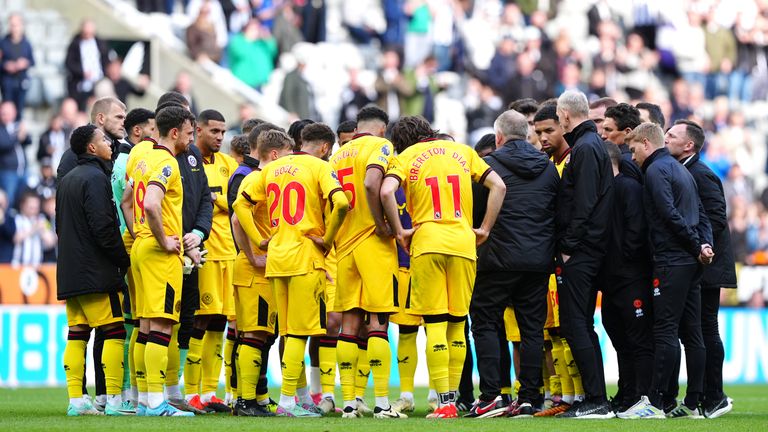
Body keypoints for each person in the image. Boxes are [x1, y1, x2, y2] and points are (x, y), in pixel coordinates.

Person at [381, 115, 506, 419]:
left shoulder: (407, 156)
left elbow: (386, 192)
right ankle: (451, 401)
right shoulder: (463, 151)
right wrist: (485, 229)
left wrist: (400, 232)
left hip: (427, 241)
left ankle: (445, 402)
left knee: (435, 324)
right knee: (457, 324)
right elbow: (498, 186)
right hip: (464, 243)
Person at [236, 129, 349, 417]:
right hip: (304, 258)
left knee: (287, 331)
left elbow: (240, 205)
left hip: (276, 258)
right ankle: (287, 402)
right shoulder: (320, 167)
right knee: (300, 332)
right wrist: (327, 238)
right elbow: (342, 203)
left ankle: (292, 399)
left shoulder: (270, 170)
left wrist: (259, 239)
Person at [467, 110, 558, 418]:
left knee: (485, 323)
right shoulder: (548, 169)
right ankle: (531, 397)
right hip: (537, 261)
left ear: (499, 138)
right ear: (528, 135)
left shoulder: (487, 168)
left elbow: (476, 211)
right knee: (532, 330)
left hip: (495, 259)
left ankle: (492, 395)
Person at [625, 122, 713, 419]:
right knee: (693, 332)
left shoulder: (656, 170)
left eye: (634, 148)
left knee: (665, 330)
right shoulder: (682, 171)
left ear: (646, 144)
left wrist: (693, 244)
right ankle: (693, 403)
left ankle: (657, 402)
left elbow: (667, 212)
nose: (633, 156)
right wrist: (703, 245)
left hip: (671, 260)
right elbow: (701, 214)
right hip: (690, 262)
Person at [328, 106, 402, 419]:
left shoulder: (337, 155)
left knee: (349, 325)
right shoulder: (380, 146)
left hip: (344, 246)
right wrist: (381, 223)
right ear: (382, 130)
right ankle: (383, 404)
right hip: (373, 242)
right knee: (378, 324)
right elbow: (374, 184)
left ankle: (349, 402)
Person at [56, 124, 130, 416]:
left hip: (70, 271)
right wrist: (121, 259)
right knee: (113, 332)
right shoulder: (97, 178)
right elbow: (103, 227)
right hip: (96, 272)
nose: (110, 144)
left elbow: (61, 225)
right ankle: (113, 400)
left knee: (77, 334)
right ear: (91, 148)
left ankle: (77, 400)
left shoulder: (67, 180)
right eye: (104, 140)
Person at [664, 119, 737, 418]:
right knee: (699, 330)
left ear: (688, 144)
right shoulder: (685, 170)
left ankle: (714, 394)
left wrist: (697, 247)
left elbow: (717, 218)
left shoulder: (701, 174)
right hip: (698, 261)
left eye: (672, 135)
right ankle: (707, 394)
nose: (665, 138)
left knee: (706, 328)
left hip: (707, 265)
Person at [129, 105, 197, 417]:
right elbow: (152, 204)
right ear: (174, 133)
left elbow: (128, 200)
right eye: (189, 133)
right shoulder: (167, 162)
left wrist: (140, 232)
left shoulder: (141, 156)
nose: (191, 138)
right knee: (161, 326)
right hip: (159, 254)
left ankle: (144, 399)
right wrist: (162, 238)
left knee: (144, 327)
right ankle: (157, 402)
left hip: (140, 248)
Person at [554, 90, 614, 418]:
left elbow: (585, 202)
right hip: (586, 248)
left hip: (582, 251)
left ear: (564, 115)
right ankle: (594, 397)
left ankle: (596, 399)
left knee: (576, 323)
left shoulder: (586, 148)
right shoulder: (588, 145)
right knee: (579, 324)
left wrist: (568, 247)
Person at [230, 129, 294, 417]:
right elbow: (236, 218)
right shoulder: (259, 178)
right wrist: (252, 253)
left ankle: (253, 399)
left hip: (263, 268)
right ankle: (245, 401)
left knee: (262, 336)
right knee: (254, 336)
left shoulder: (268, 180)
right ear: (275, 154)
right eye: (289, 155)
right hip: (254, 270)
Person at [183, 109, 237, 413]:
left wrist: (222, 202)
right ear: (198, 130)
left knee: (219, 323)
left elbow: (239, 204)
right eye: (214, 131)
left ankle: (207, 392)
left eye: (222, 132)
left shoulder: (229, 165)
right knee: (199, 322)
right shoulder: (189, 163)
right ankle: (189, 391)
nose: (219, 137)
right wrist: (219, 203)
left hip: (229, 252)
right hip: (204, 254)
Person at [599, 142, 654, 416]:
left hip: (630, 277)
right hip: (612, 280)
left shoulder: (628, 188)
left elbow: (636, 230)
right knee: (621, 340)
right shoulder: (608, 189)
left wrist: (621, 262)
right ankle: (628, 393)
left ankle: (644, 398)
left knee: (638, 340)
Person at [58, 97, 126, 178]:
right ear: (101, 118)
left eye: (124, 118)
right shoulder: (74, 154)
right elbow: (65, 188)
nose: (124, 123)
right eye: (119, 117)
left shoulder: (122, 153)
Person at [64, 19, 111, 110]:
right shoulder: (75, 44)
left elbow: (106, 61)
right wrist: (82, 72)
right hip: (80, 83)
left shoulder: (100, 44)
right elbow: (69, 63)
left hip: (98, 81)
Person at [0, 14, 35, 118]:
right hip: (7, 82)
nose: (14, 28)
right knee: (7, 109)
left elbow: (32, 61)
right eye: (12, 25)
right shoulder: (3, 43)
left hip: (21, 81)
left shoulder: (26, 43)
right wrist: (5, 65)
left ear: (21, 26)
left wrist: (24, 63)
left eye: (16, 25)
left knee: (19, 109)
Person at [601, 103, 643, 183]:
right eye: (603, 129)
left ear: (628, 132)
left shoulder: (624, 162)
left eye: (608, 130)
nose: (603, 135)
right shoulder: (639, 155)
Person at [0, 101, 30, 207]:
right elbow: (4, 145)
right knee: (9, 201)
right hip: (8, 172)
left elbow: (28, 141)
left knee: (24, 199)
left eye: (8, 113)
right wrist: (18, 137)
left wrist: (24, 134)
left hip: (23, 170)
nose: (5, 116)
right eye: (3, 113)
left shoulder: (16, 125)